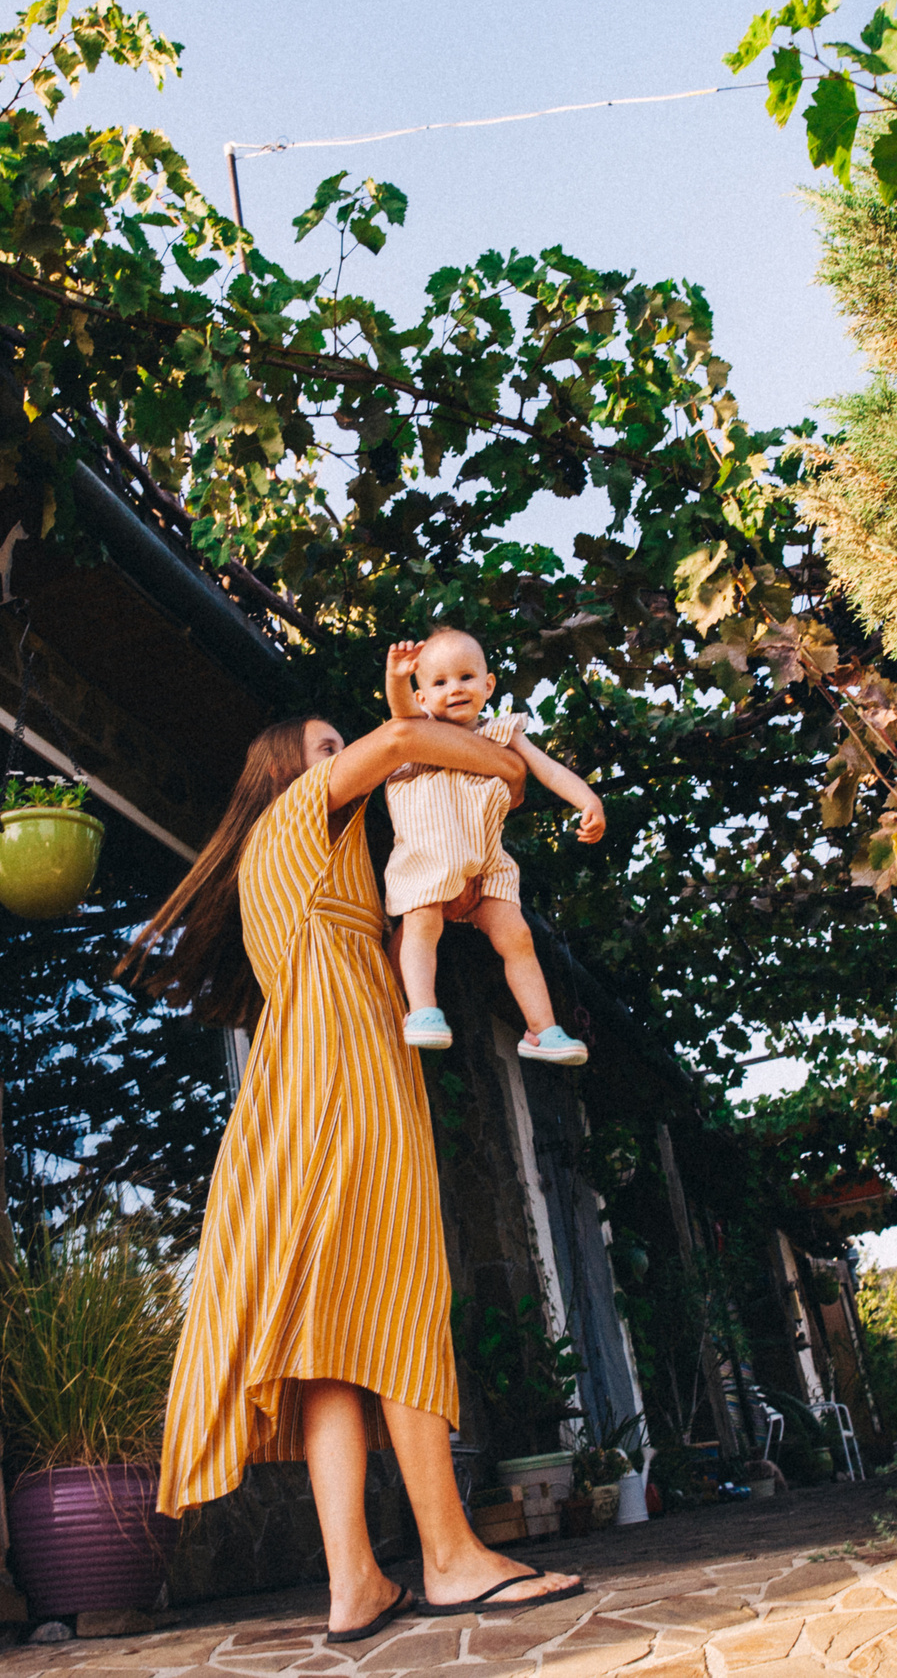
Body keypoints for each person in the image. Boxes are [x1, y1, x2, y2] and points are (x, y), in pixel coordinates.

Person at [120, 715, 587, 1640]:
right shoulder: (295, 814)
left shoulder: (297, 865)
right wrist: (503, 759)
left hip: (297, 1098)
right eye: (331, 746)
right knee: (400, 1292)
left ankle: (355, 1583)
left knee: (331, 1340)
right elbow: (406, 737)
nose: (350, 761)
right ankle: (451, 1556)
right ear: (290, 768)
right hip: (347, 1081)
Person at [381, 629, 605, 1062]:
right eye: (440, 682)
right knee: (423, 925)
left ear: (488, 686)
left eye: (466, 677)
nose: (456, 688)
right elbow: (400, 713)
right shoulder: (421, 730)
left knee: (518, 937)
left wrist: (588, 800)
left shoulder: (503, 733)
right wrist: (396, 679)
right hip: (429, 858)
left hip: (485, 864)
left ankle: (543, 1030)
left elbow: (549, 770)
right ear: (423, 696)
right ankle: (423, 1009)